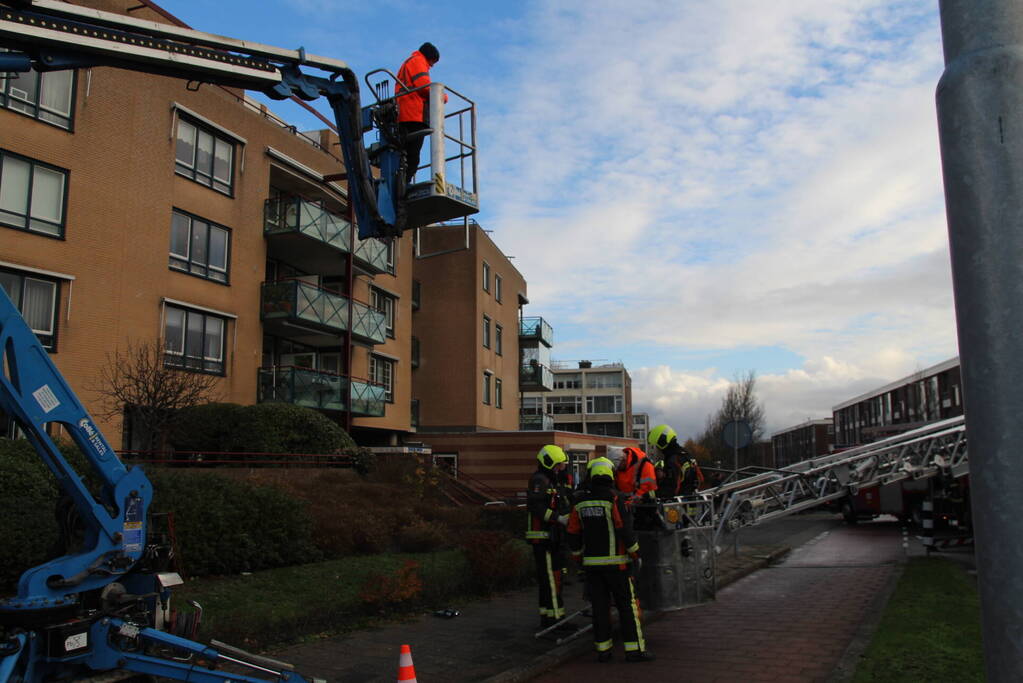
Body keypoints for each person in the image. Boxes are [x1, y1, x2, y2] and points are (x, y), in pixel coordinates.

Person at [566, 459, 655, 663]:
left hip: (592, 567)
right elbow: (624, 529)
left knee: (600, 608)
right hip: (618, 565)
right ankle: (634, 651)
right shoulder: (615, 499)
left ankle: (603, 651)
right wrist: (636, 554)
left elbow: (573, 532)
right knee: (627, 607)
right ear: (610, 475)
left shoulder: (579, 501)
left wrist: (578, 557)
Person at [526, 444, 569, 628]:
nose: (560, 468)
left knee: (553, 579)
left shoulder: (551, 481)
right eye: (558, 465)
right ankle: (553, 621)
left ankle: (551, 617)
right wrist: (558, 518)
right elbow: (536, 507)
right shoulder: (539, 480)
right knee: (550, 579)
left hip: (552, 537)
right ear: (549, 463)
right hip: (542, 538)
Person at [395, 42, 442, 183]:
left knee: (406, 155)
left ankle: (402, 184)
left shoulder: (410, 62)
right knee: (412, 157)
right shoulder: (418, 61)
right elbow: (425, 87)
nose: (432, 66)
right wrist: (441, 96)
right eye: (432, 62)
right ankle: (404, 185)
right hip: (413, 114)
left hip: (406, 113)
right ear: (429, 57)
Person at [649, 425, 704, 497]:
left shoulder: (673, 460)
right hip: (691, 500)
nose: (658, 449)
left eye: (657, 446)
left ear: (662, 442)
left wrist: (648, 495)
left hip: (678, 505)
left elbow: (670, 489)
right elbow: (700, 479)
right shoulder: (685, 454)